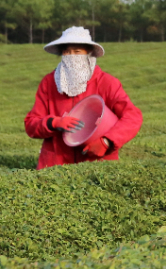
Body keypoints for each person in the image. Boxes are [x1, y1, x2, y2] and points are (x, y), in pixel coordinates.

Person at [24, 26, 143, 169]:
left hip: (97, 162)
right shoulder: (49, 83)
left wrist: (107, 141)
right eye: (67, 52)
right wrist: (54, 123)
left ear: (89, 53)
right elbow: (31, 124)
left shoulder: (107, 82)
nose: (72, 56)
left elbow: (132, 117)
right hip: (56, 164)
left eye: (77, 52)